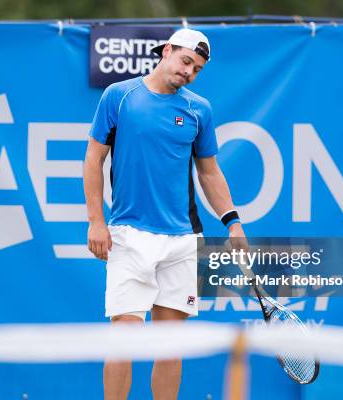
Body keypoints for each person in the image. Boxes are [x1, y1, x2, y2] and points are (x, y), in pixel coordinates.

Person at [84, 28, 248, 400]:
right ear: (167, 51)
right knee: (123, 340)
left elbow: (209, 171)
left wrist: (232, 220)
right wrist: (96, 220)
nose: (189, 71)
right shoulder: (119, 96)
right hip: (128, 234)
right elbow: (93, 160)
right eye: (186, 61)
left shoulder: (198, 109)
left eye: (197, 69)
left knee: (170, 347)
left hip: (182, 240)